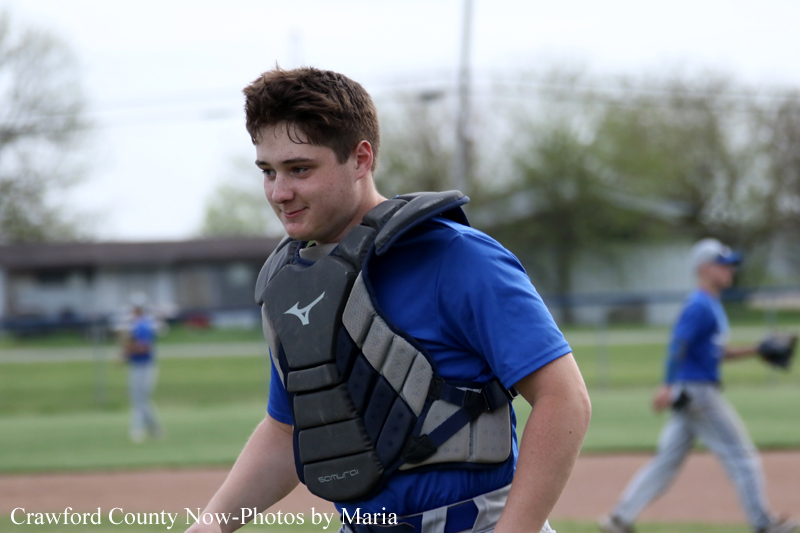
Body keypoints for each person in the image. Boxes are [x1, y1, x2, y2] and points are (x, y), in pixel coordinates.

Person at [186, 67, 591, 533]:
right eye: (268, 171)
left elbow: (564, 398)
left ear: (361, 159)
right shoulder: (290, 283)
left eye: (300, 169)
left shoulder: (456, 256)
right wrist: (212, 525)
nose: (280, 193)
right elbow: (287, 430)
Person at [599, 238, 798, 533]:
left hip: (693, 392)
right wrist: (666, 384)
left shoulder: (711, 305)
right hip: (698, 392)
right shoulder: (699, 305)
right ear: (704, 268)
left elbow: (715, 352)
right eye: (723, 265)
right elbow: (678, 344)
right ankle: (763, 523)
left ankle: (619, 519)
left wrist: (756, 349)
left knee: (666, 461)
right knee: (743, 457)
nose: (730, 270)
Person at [120, 293, 163, 443]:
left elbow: (144, 347)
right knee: (140, 400)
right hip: (137, 365)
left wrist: (128, 349)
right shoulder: (134, 326)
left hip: (144, 365)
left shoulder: (143, 325)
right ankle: (155, 429)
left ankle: (138, 429)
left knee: (140, 400)